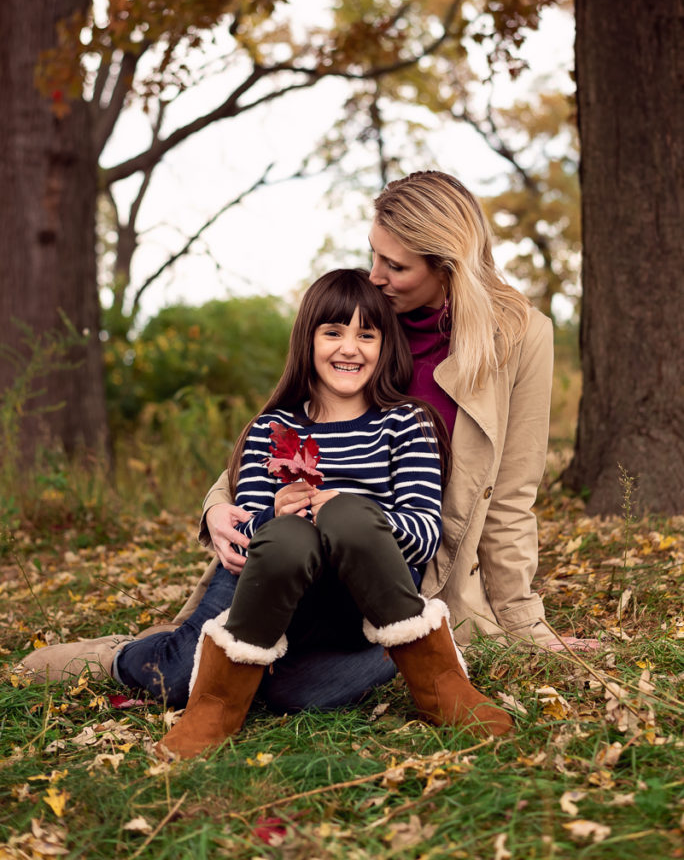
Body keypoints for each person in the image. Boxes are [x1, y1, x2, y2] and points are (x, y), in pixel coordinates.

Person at [19, 269, 513, 756]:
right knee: (178, 676)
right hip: (269, 590)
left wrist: (349, 512)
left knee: (295, 694)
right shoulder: (271, 429)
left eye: (367, 334)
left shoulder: (408, 424)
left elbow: (425, 535)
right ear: (308, 340)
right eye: (333, 332)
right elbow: (244, 536)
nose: (349, 347)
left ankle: (438, 680)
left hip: (363, 603)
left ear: (386, 345)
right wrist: (272, 514)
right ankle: (119, 657)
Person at [188, 171, 597, 656]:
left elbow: (509, 496)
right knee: (185, 663)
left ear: (446, 267)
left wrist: (523, 623)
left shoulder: (519, 337)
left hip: (404, 565)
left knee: (312, 678)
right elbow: (291, 425)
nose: (376, 276)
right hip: (300, 556)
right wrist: (217, 503)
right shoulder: (368, 321)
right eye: (374, 254)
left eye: (396, 266)